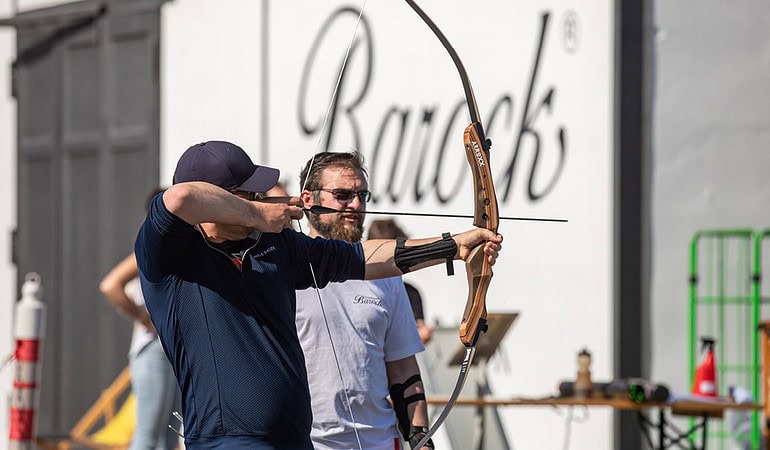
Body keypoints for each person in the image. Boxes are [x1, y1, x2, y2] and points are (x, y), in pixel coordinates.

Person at [134, 140, 502, 449]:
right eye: (250, 193)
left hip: (293, 440)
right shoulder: (170, 257)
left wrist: (453, 246)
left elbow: (365, 258)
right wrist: (259, 214)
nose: (261, 198)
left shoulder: (274, 248)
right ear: (223, 197)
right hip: (227, 440)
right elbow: (181, 198)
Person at [296, 152, 433, 449]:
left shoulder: (386, 275)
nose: (356, 205)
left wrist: (421, 438)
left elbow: (403, 367)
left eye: (362, 195)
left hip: (378, 440)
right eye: (342, 195)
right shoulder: (283, 266)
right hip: (306, 441)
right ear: (308, 199)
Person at [99, 189, 180, 450]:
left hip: (172, 349)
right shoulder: (151, 248)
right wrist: (144, 318)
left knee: (169, 436)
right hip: (152, 349)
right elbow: (110, 285)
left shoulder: (177, 249)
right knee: (148, 435)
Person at [367, 219, 434, 345]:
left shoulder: (410, 292)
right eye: (402, 255)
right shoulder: (358, 289)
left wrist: (420, 335)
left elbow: (419, 328)